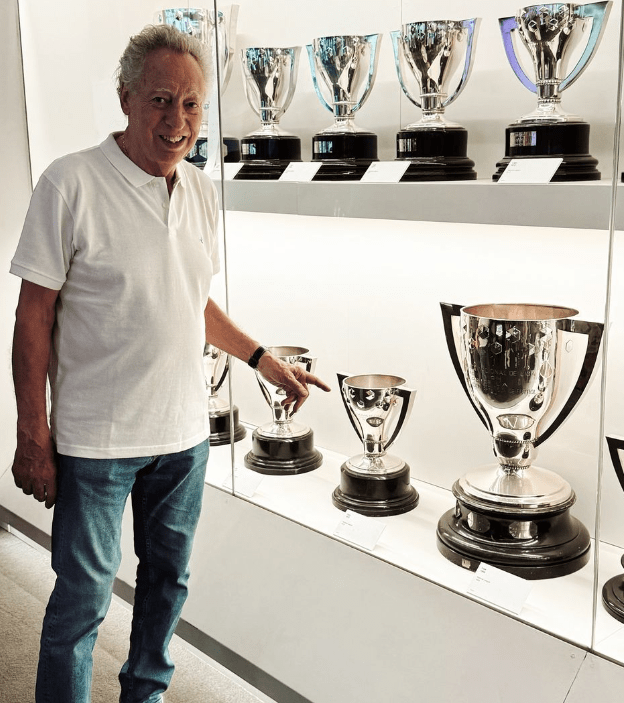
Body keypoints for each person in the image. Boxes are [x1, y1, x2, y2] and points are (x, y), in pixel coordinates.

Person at [10, 24, 330, 703]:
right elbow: (32, 316)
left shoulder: (201, 190)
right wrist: (32, 435)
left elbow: (189, 300)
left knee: (165, 592)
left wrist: (262, 358)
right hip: (94, 443)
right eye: (160, 100)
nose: (176, 121)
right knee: (81, 606)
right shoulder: (69, 183)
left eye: (190, 105)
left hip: (184, 440)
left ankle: (145, 697)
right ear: (125, 98)